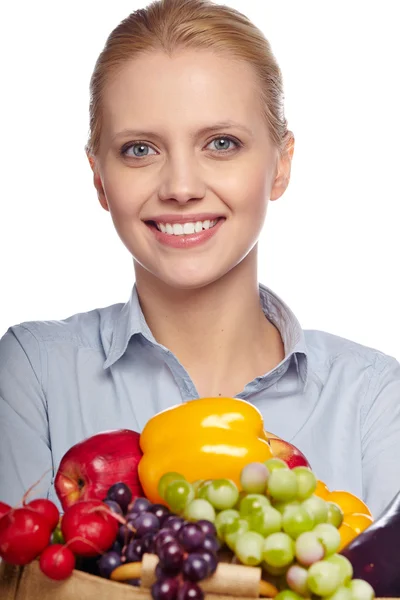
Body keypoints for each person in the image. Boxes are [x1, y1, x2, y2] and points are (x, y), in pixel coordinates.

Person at [0, 0, 399, 518]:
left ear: (280, 166)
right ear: (99, 178)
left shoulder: (373, 401)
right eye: (140, 150)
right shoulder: (34, 375)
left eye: (221, 143)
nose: (181, 188)